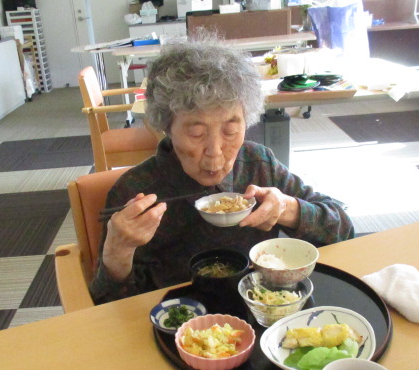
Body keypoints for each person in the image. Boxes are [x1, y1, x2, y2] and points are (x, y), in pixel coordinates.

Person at [89, 38, 354, 305]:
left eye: (230, 130)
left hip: (261, 307)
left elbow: (343, 230)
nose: (215, 152)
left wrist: (286, 208)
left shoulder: (258, 164)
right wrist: (117, 251)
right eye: (196, 133)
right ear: (167, 127)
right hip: (179, 319)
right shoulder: (135, 189)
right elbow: (105, 304)